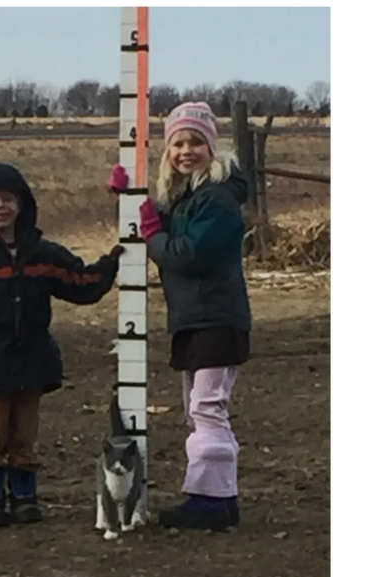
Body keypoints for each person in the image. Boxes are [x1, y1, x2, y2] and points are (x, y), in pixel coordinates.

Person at [0, 162, 124, 528]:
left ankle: (25, 496)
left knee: (25, 434)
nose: (1, 207)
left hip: (33, 363)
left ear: (22, 204)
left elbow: (80, 283)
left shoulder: (42, 253)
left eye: (8, 199)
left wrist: (110, 265)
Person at [108, 102, 252, 532]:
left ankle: (208, 500)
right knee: (203, 410)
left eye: (195, 142)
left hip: (215, 319)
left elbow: (184, 253)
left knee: (207, 409)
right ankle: (221, 498)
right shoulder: (194, 199)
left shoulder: (219, 201)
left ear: (212, 147)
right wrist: (132, 198)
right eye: (178, 143)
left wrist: (150, 230)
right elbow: (170, 225)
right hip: (198, 320)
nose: (186, 151)